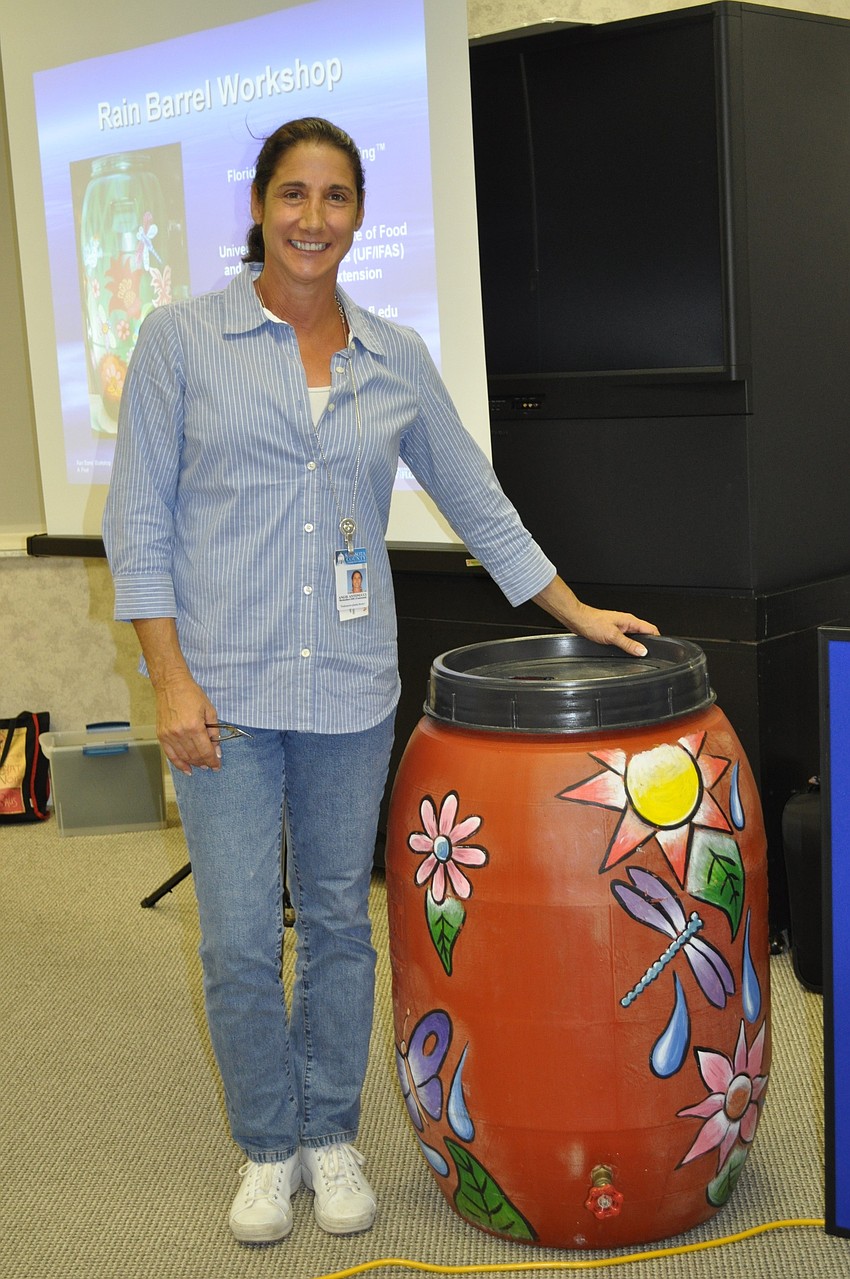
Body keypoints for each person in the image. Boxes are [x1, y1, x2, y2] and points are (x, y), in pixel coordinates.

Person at [102, 116, 658, 1245]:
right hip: (224, 688)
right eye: (294, 195)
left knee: (346, 933)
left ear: (359, 214)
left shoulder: (394, 353)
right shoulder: (178, 338)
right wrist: (168, 679)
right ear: (258, 206)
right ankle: (267, 1146)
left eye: (337, 198)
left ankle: (329, 1133)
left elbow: (474, 498)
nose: (313, 219)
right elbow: (138, 525)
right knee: (240, 938)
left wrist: (575, 610)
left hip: (350, 691)